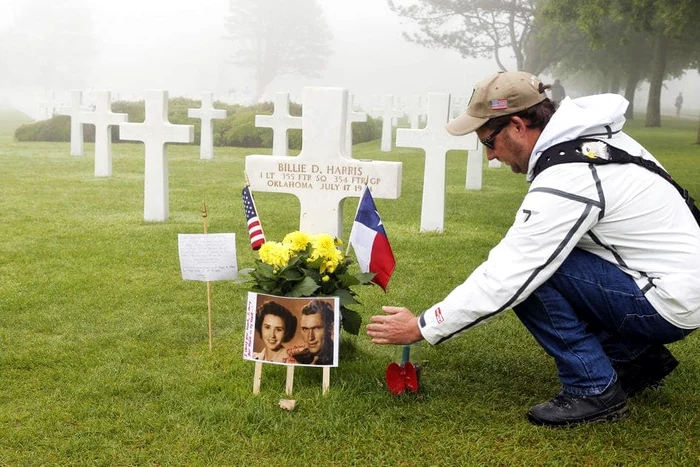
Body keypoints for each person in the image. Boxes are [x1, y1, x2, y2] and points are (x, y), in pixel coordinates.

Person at [366, 71, 700, 427]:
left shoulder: (569, 176)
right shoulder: (591, 139)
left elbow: (510, 274)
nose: (491, 157)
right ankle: (633, 361)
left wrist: (421, 326)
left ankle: (593, 389)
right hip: (675, 282)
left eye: (488, 142)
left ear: (517, 125)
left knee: (533, 276)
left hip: (666, 301)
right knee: (547, 262)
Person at [293, 299, 335, 365]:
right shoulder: (298, 358)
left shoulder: (337, 358)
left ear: (330, 328)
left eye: (316, 328)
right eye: (305, 329)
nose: (310, 337)